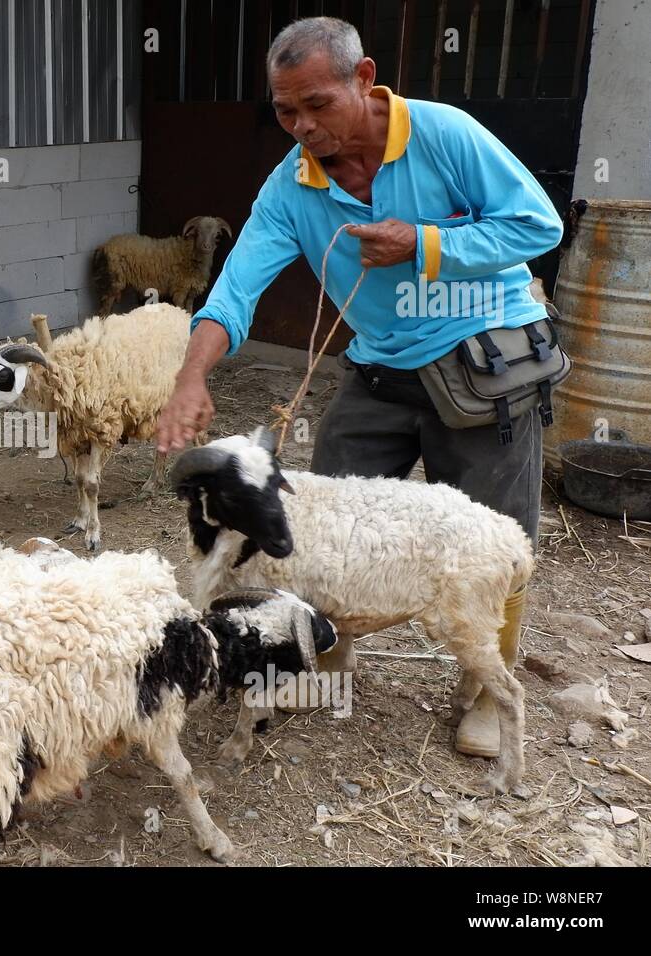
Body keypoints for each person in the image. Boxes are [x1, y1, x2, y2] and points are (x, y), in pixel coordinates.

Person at [156, 16, 563, 759]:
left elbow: (539, 225)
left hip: (484, 361)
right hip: (380, 363)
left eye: (318, 105)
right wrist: (191, 376)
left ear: (363, 79)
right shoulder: (292, 187)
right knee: (324, 522)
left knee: (492, 530)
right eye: (285, 112)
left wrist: (425, 242)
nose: (303, 127)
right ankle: (333, 657)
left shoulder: (446, 135)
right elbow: (236, 290)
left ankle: (482, 691)